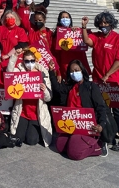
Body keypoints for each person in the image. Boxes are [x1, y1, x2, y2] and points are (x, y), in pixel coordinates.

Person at [49, 59, 109, 160]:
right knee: (59, 146)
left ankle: (98, 146)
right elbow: (57, 88)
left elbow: (101, 107)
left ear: (82, 70)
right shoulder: (70, 86)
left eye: (76, 70)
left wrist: (101, 125)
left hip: (87, 127)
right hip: (72, 124)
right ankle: (77, 142)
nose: (74, 73)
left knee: (74, 153)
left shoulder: (91, 86)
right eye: (71, 71)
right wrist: (51, 72)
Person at [82, 12, 119, 150]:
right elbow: (87, 41)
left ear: (111, 23)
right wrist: (84, 27)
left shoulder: (117, 38)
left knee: (116, 110)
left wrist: (108, 75)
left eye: (106, 22)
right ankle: (106, 135)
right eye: (101, 23)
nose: (103, 25)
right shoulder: (97, 37)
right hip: (98, 79)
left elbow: (118, 60)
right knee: (102, 108)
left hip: (114, 81)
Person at [7, 50, 53, 147]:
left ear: (35, 60)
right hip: (22, 112)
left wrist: (44, 90)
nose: (29, 63)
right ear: (23, 61)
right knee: (19, 137)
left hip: (36, 113)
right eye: (27, 61)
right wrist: (14, 56)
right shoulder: (19, 71)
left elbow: (48, 98)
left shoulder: (43, 73)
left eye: (32, 60)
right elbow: (9, 74)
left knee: (32, 140)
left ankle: (38, 132)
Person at [52, 11, 91, 80]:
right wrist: (58, 72)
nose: (65, 19)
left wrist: (79, 30)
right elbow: (55, 54)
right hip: (65, 63)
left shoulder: (76, 30)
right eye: (63, 17)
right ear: (59, 20)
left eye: (67, 17)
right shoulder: (56, 35)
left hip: (78, 62)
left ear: (70, 19)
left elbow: (85, 40)